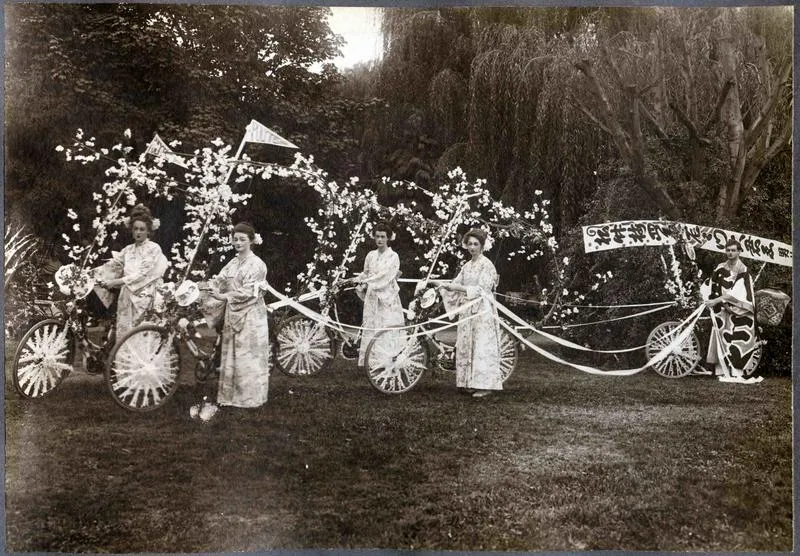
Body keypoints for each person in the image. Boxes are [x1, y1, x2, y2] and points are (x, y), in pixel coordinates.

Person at [204, 222, 270, 411]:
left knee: (247, 356)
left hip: (250, 315)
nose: (238, 242)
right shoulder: (233, 262)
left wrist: (223, 296)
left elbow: (250, 292)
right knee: (232, 354)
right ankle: (230, 396)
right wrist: (211, 287)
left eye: (242, 239)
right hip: (233, 313)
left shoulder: (257, 264)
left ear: (251, 241)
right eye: (235, 239)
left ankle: (249, 398)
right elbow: (220, 279)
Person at [433, 228, 502, 398]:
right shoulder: (467, 265)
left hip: (481, 311)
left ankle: (485, 385)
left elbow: (481, 289)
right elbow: (455, 284)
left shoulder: (487, 265)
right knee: (465, 345)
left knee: (481, 346)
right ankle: (468, 382)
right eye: (470, 244)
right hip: (467, 311)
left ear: (482, 245)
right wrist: (441, 285)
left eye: (476, 244)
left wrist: (457, 287)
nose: (472, 247)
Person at [95, 204, 168, 338]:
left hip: (145, 295)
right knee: (124, 332)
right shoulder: (128, 250)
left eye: (142, 229)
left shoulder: (153, 248)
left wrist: (116, 281)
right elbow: (113, 265)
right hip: (127, 295)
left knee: (141, 333)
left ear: (148, 231)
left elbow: (143, 274)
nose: (138, 232)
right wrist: (90, 276)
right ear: (132, 230)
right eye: (135, 229)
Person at [704, 239, 761, 383]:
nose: (730, 253)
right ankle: (720, 370)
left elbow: (738, 292)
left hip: (738, 310)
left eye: (733, 250)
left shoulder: (743, 270)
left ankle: (737, 371)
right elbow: (712, 285)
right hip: (721, 310)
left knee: (737, 338)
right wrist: (712, 299)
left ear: (739, 251)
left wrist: (719, 301)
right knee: (721, 336)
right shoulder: (720, 267)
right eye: (728, 250)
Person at [352, 222, 405, 367]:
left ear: (388, 238)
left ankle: (388, 360)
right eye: (377, 236)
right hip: (372, 296)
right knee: (371, 325)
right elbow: (366, 273)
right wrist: (357, 280)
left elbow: (386, 275)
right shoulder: (371, 255)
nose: (380, 240)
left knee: (385, 326)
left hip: (387, 297)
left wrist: (368, 281)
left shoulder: (393, 256)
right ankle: (372, 360)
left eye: (383, 237)